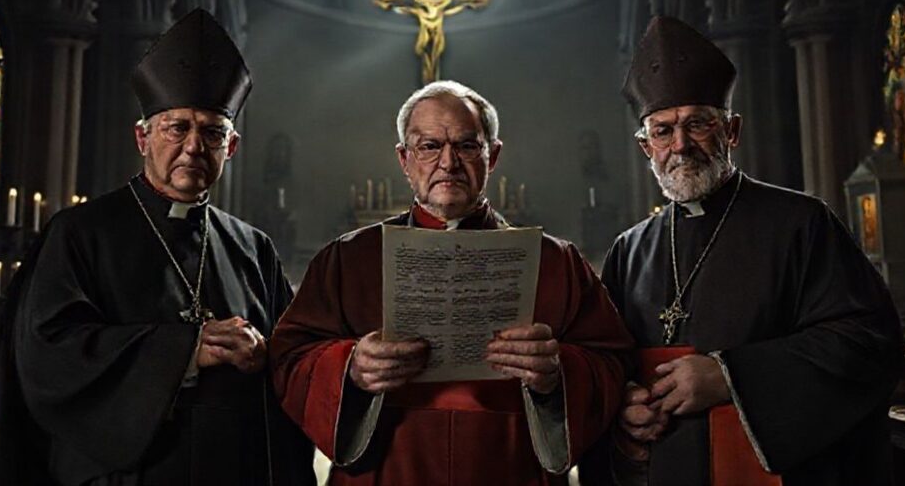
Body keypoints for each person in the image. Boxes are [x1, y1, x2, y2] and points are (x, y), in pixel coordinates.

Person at [0, 8, 314, 485]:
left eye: (212, 132)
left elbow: (294, 357)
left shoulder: (254, 248)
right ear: (143, 137)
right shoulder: (79, 232)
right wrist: (184, 351)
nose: (193, 147)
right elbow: (46, 355)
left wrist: (273, 353)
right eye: (176, 127)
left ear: (232, 148)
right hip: (128, 474)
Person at [579, 15, 903, 486]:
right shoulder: (630, 250)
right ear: (645, 146)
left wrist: (729, 377)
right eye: (663, 131)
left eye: (698, 125)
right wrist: (623, 407)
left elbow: (868, 341)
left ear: (732, 131)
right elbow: (606, 363)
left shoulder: (801, 223)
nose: (681, 145)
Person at [269, 80, 634, 485]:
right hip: (387, 467)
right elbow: (289, 360)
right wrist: (349, 367)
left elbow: (612, 364)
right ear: (404, 159)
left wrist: (557, 371)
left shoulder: (557, 262)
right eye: (429, 147)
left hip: (511, 467)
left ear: (492, 156)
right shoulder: (346, 259)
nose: (448, 163)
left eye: (466, 146)